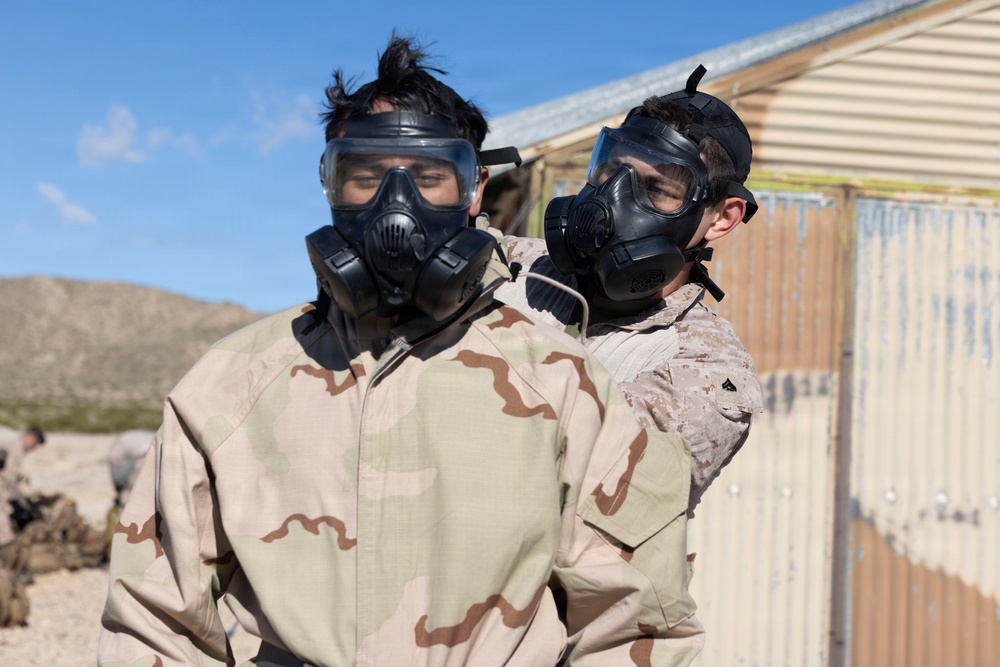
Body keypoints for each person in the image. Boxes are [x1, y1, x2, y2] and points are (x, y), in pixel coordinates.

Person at [99, 35, 699, 666]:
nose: (397, 206)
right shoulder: (230, 384)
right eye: (365, 177)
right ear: (330, 184)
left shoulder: (562, 383)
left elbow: (633, 623)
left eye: (429, 176)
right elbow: (152, 622)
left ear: (475, 189)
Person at [497, 65, 764, 515]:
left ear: (721, 218)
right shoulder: (508, 264)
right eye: (610, 170)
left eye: (659, 188)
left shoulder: (707, 368)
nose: (611, 198)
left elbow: (556, 475)